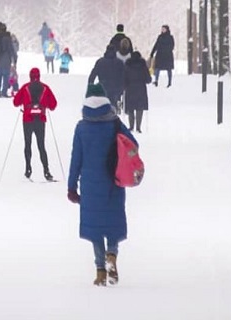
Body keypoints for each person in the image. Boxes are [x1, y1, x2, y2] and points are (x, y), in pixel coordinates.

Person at [67, 83, 136, 286]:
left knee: (95, 227)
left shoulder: (81, 127)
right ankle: (112, 256)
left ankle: (100, 272)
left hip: (89, 185)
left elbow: (75, 159)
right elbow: (132, 144)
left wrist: (72, 186)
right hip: (114, 181)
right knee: (112, 223)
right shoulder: (115, 123)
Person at [12, 68, 58, 180]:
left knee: (28, 144)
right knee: (41, 146)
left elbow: (15, 102)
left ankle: (28, 169)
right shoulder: (46, 88)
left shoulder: (25, 87)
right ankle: (46, 171)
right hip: (40, 120)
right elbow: (53, 105)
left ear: (30, 76)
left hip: (27, 120)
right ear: (39, 76)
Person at [87, 44, 125, 112]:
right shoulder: (119, 63)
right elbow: (123, 76)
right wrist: (122, 88)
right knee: (113, 106)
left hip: (103, 87)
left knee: (103, 107)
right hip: (116, 89)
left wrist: (90, 86)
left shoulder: (100, 62)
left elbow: (92, 75)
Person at [123, 50, 152, 132]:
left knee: (130, 107)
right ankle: (138, 127)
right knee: (140, 108)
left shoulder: (127, 65)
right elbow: (148, 79)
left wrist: (124, 86)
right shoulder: (143, 66)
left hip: (130, 88)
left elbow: (124, 77)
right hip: (141, 89)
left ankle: (131, 126)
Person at [0, 22, 17, 98]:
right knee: (6, 76)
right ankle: (4, 92)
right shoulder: (7, 37)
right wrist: (14, 59)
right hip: (6, 60)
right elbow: (11, 49)